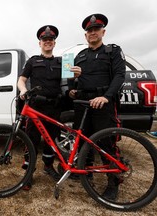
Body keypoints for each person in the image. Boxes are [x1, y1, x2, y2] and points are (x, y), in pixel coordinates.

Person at [68, 14, 126, 200]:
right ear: (86, 35)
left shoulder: (112, 51)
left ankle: (113, 181)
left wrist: (107, 96)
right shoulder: (79, 56)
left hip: (103, 102)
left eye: (96, 29)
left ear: (103, 31)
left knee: (105, 142)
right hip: (83, 103)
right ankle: (86, 173)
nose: (92, 32)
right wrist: (73, 89)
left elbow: (119, 76)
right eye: (89, 30)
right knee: (82, 139)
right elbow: (74, 81)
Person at [17, 25, 62, 190]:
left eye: (50, 40)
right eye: (45, 40)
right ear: (40, 43)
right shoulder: (33, 61)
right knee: (31, 140)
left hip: (55, 106)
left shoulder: (62, 62)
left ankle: (48, 167)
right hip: (36, 107)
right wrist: (23, 90)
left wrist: (77, 74)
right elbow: (21, 80)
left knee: (51, 140)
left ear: (54, 43)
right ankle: (29, 173)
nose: (47, 42)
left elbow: (72, 80)